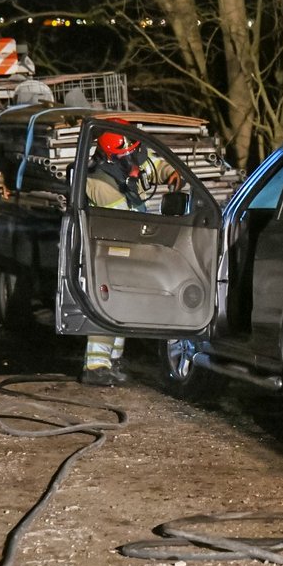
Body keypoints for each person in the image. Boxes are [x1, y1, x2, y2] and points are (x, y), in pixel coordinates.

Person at [79, 122, 180, 386]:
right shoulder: (101, 184)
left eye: (133, 153)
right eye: (126, 156)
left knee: (122, 306)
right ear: (110, 156)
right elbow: (126, 220)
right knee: (107, 305)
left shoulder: (130, 158)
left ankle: (112, 362)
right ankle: (95, 366)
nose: (133, 161)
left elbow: (153, 165)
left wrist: (171, 173)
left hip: (128, 249)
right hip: (111, 251)